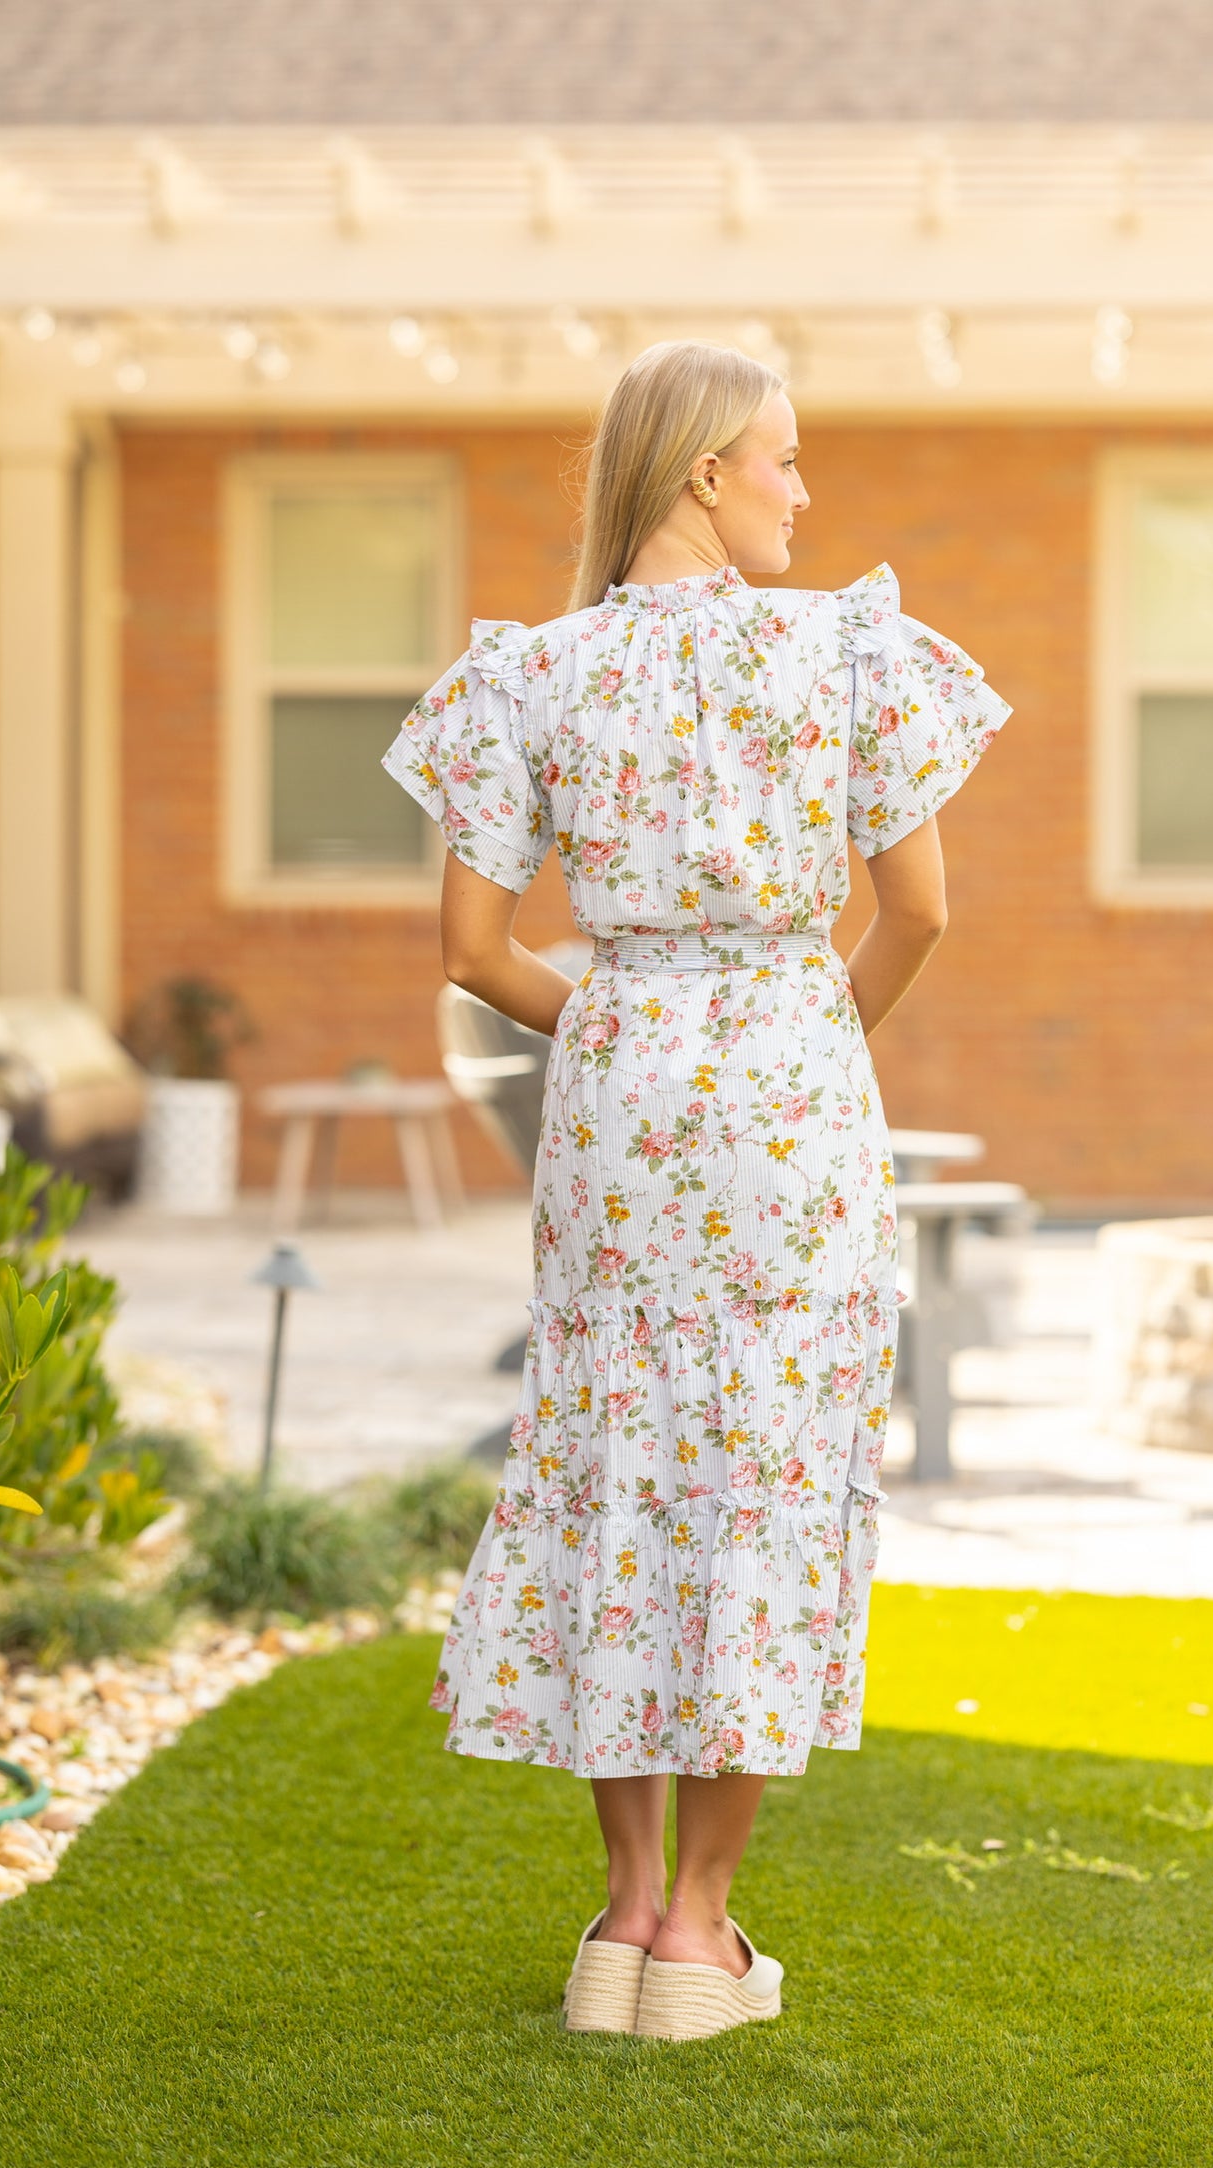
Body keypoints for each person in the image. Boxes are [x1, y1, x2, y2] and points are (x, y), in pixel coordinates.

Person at [382, 339, 1010, 2041]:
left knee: (621, 1464)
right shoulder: (849, 652)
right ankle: (704, 1940)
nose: (805, 493)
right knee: (764, 1472)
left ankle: (624, 1917)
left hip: (614, 1100)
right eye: (785, 461)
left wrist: (622, 1020)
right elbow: (922, 911)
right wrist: (805, 1034)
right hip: (791, 1094)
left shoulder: (528, 676)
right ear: (702, 475)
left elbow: (469, 952)